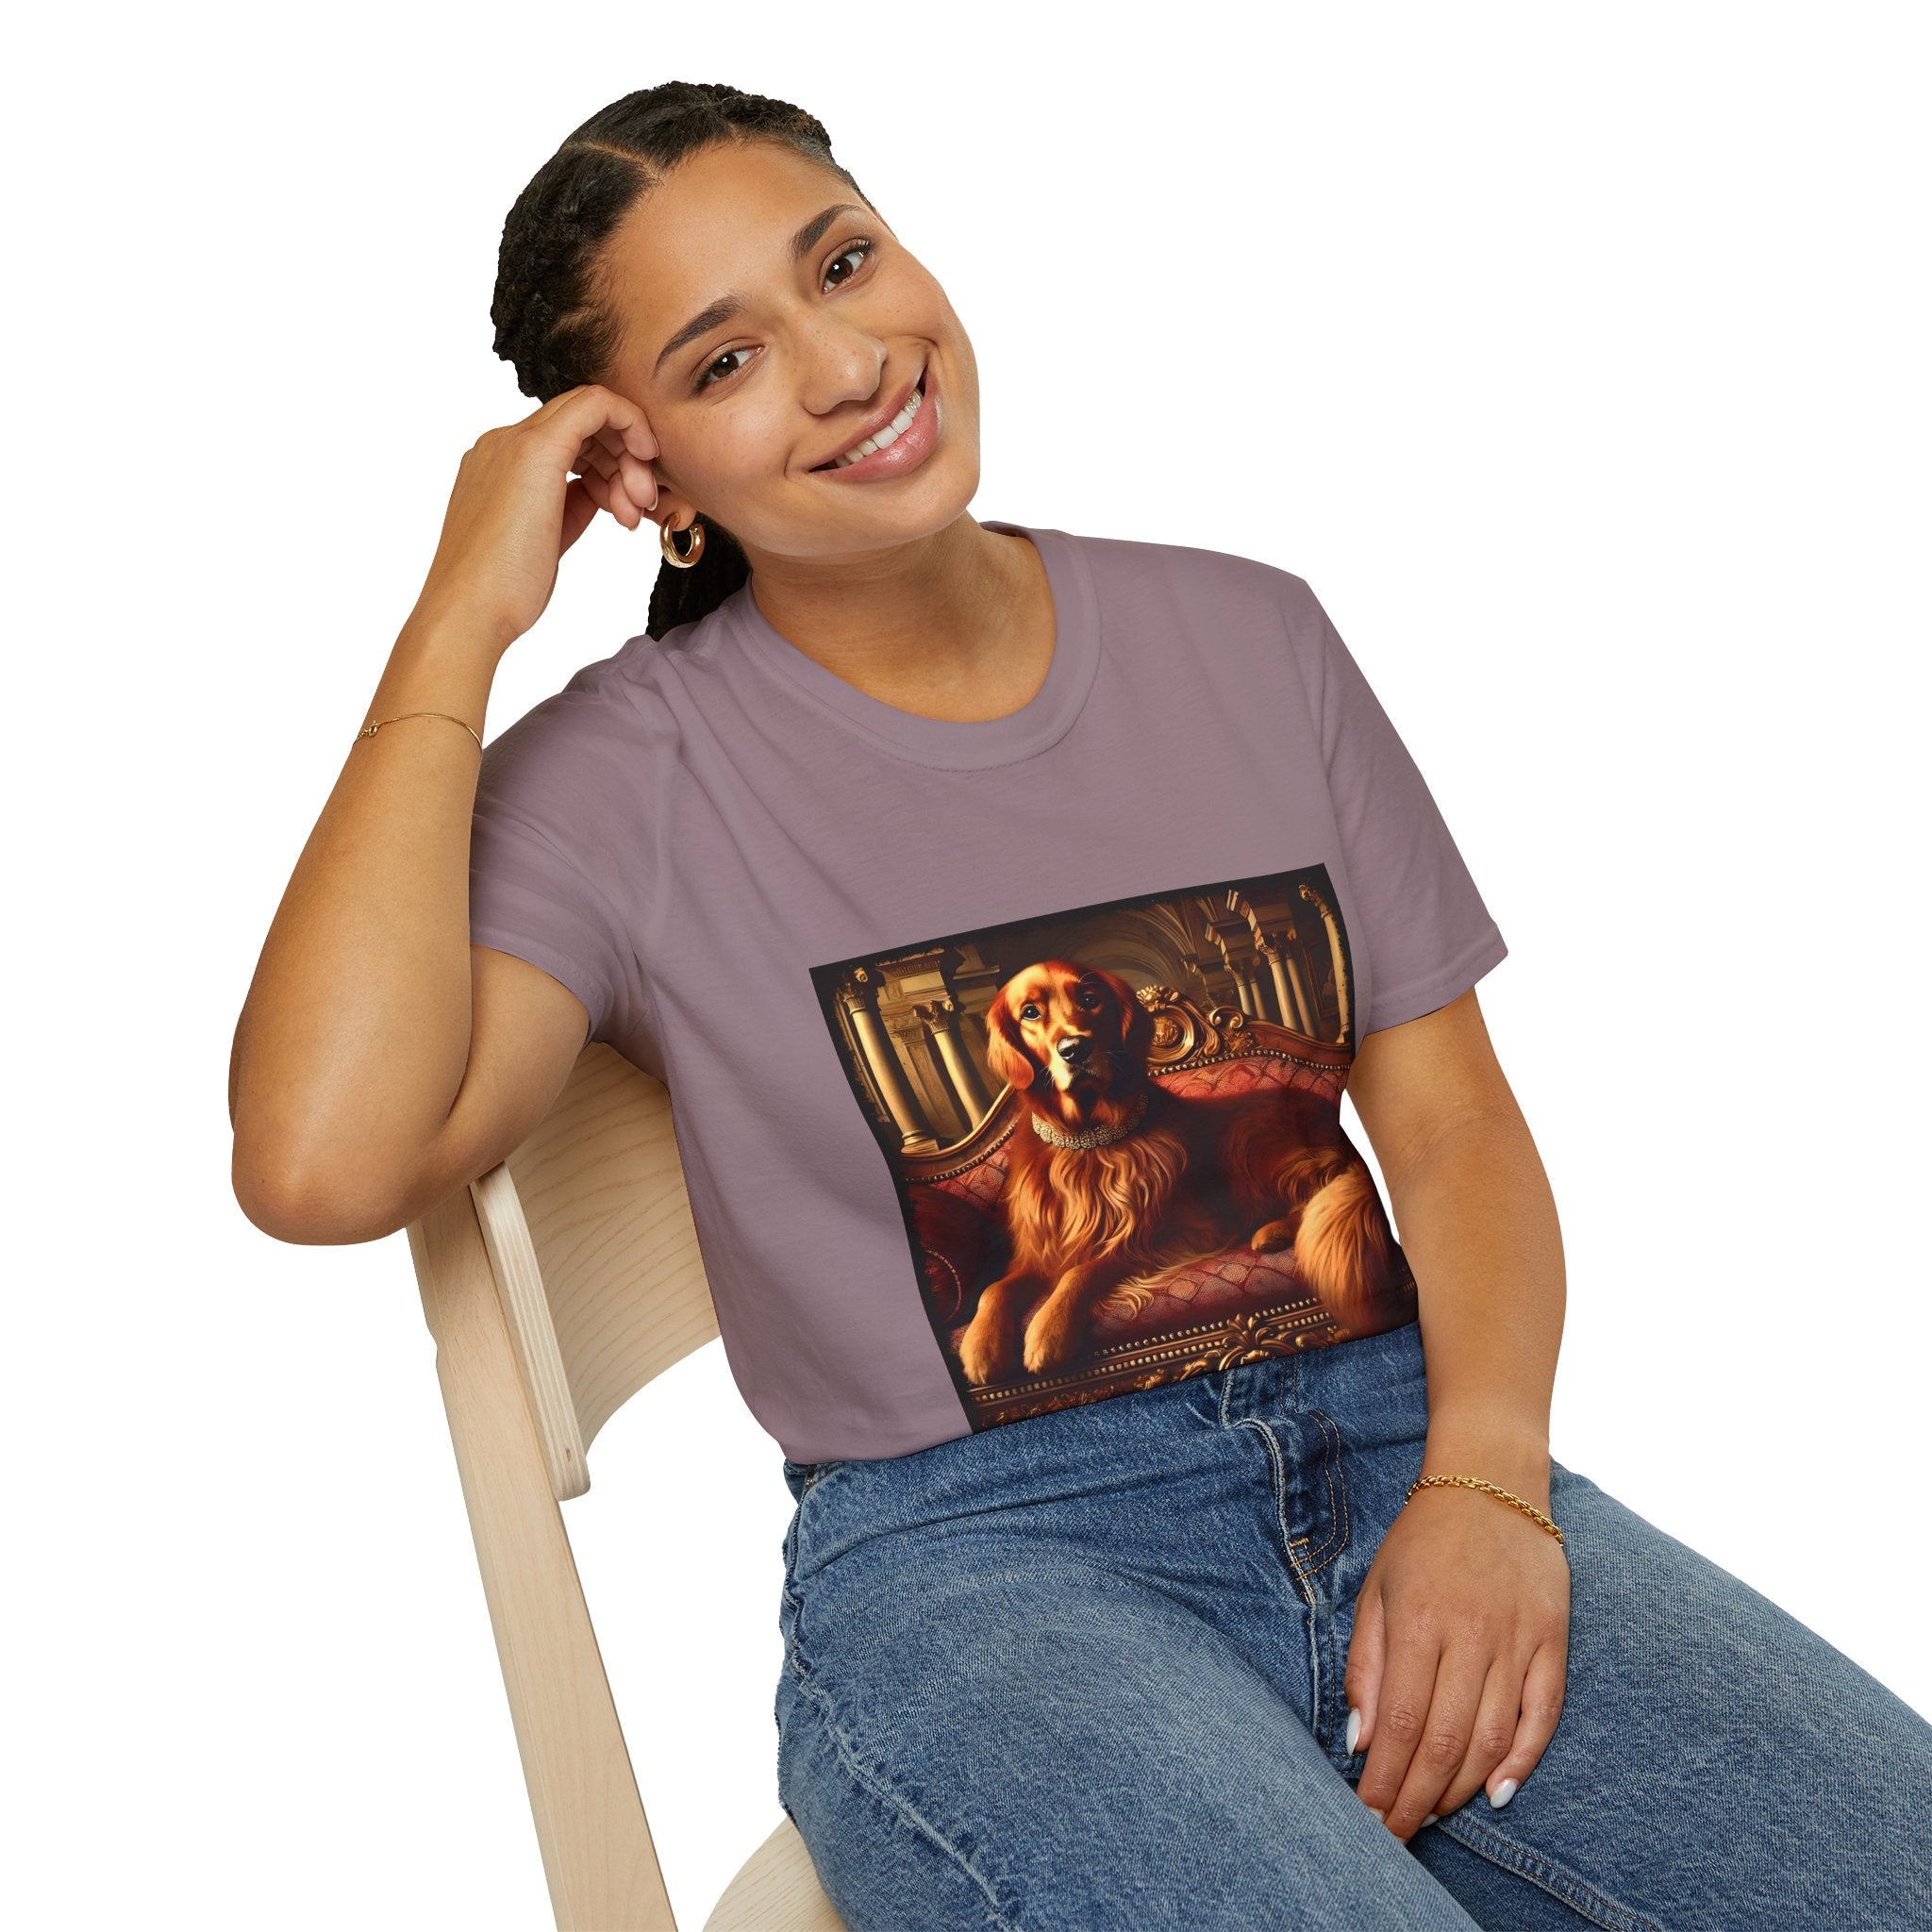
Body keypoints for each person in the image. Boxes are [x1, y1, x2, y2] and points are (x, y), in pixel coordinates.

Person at [228, 80, 1932, 1932]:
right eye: (725, 362)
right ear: (649, 482)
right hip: (986, 1568)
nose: (845, 362)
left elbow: (1447, 1129)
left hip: (1400, 1446)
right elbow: (321, 1158)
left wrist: (1490, 1486)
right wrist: (456, 620)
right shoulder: (627, 776)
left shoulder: (1248, 639)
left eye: (845, 263)